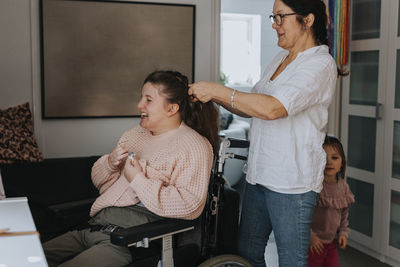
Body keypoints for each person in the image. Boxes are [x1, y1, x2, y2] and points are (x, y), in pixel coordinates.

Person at [188, 0, 343, 266]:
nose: (274, 24)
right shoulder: (279, 59)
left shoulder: (320, 64)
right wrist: (211, 97)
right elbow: (253, 107)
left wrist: (216, 90)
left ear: (307, 20)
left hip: (291, 183)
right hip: (259, 175)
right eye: (274, 17)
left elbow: (274, 109)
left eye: (281, 17)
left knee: (291, 261)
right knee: (247, 252)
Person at [43, 70, 219, 267]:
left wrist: (137, 179)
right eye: (141, 97)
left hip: (130, 241)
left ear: (171, 109)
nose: (139, 105)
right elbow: (102, 185)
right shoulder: (134, 135)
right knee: (23, 257)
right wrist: (110, 163)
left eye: (148, 99)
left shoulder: (194, 146)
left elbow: (190, 205)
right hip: (94, 227)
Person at [308, 135, 354, 267]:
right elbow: (302, 215)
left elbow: (344, 214)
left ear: (342, 163)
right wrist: (310, 236)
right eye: (324, 158)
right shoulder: (314, 186)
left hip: (331, 244)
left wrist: (343, 233)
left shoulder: (344, 187)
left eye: (334, 158)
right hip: (313, 243)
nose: (329, 162)